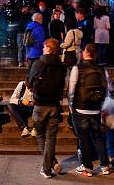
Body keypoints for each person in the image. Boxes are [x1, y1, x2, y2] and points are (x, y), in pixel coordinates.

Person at [68, 43, 113, 176]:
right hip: (96, 109)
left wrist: (71, 106)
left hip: (80, 108)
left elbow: (71, 89)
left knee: (84, 139)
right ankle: (105, 165)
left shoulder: (78, 68)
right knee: (98, 137)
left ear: (86, 53)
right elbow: (108, 89)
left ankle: (87, 167)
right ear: (96, 55)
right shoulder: (101, 69)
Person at [28, 38, 66, 178]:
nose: (43, 49)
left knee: (40, 135)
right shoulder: (62, 66)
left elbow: (30, 82)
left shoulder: (38, 63)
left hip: (39, 105)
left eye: (44, 47)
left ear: (49, 48)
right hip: (54, 105)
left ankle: (47, 168)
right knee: (51, 137)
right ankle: (51, 162)